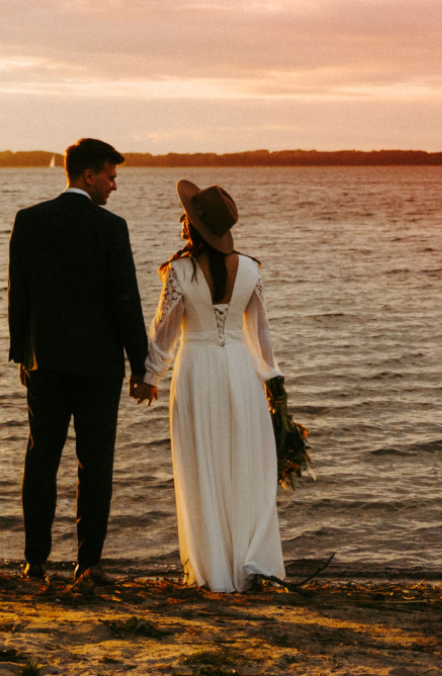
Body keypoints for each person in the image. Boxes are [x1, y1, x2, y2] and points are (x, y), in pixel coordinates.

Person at [131, 180, 285, 593]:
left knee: (202, 463)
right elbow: (263, 337)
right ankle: (249, 564)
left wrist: (148, 378)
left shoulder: (179, 271)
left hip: (197, 369)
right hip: (241, 371)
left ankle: (213, 570)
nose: (182, 220)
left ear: (195, 226)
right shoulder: (251, 270)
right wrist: (272, 382)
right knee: (244, 465)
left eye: (188, 215)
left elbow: (163, 333)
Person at [8, 138, 149, 584]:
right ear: (88, 175)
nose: (114, 186)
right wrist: (140, 365)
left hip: (44, 362)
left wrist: (22, 354)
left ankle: (35, 562)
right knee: (95, 465)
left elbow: (18, 295)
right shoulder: (111, 228)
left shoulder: (29, 221)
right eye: (110, 176)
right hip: (98, 368)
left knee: (41, 459)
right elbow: (125, 299)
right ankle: (88, 564)